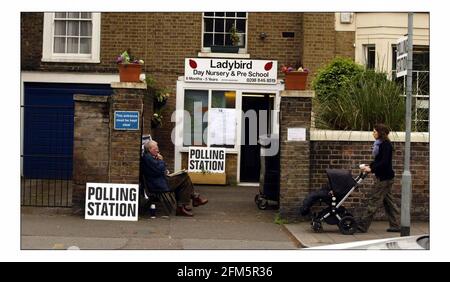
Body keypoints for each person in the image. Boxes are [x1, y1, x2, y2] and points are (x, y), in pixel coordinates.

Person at [141, 140, 208, 216]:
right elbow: (160, 170)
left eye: (157, 147)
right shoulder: (148, 158)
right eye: (155, 148)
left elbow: (159, 170)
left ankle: (183, 206)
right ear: (150, 149)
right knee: (184, 177)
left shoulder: (150, 157)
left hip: (161, 181)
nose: (158, 150)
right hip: (159, 185)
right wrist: (161, 160)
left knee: (183, 181)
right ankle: (191, 199)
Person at [357, 123, 400, 233]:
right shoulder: (380, 144)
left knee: (374, 201)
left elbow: (384, 163)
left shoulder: (386, 145)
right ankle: (396, 225)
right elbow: (378, 161)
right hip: (386, 177)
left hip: (384, 179)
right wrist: (369, 166)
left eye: (375, 131)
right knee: (389, 203)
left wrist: (371, 169)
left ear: (380, 133)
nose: (373, 133)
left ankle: (362, 226)